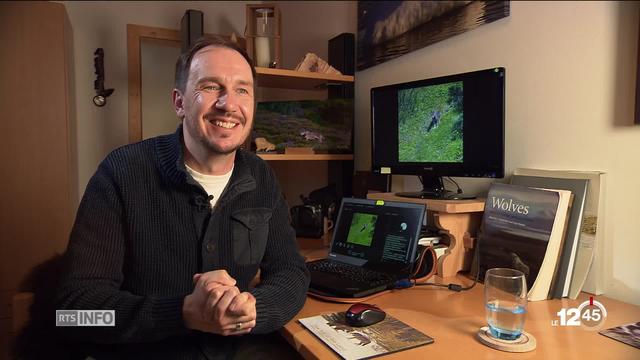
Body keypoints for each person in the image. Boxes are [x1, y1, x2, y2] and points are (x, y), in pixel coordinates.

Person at [55, 36, 310, 359]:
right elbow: (73, 314)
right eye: (211, 86)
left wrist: (255, 309)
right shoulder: (121, 173)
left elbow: (291, 271)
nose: (228, 104)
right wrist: (183, 312)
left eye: (242, 90)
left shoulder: (261, 177)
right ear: (179, 102)